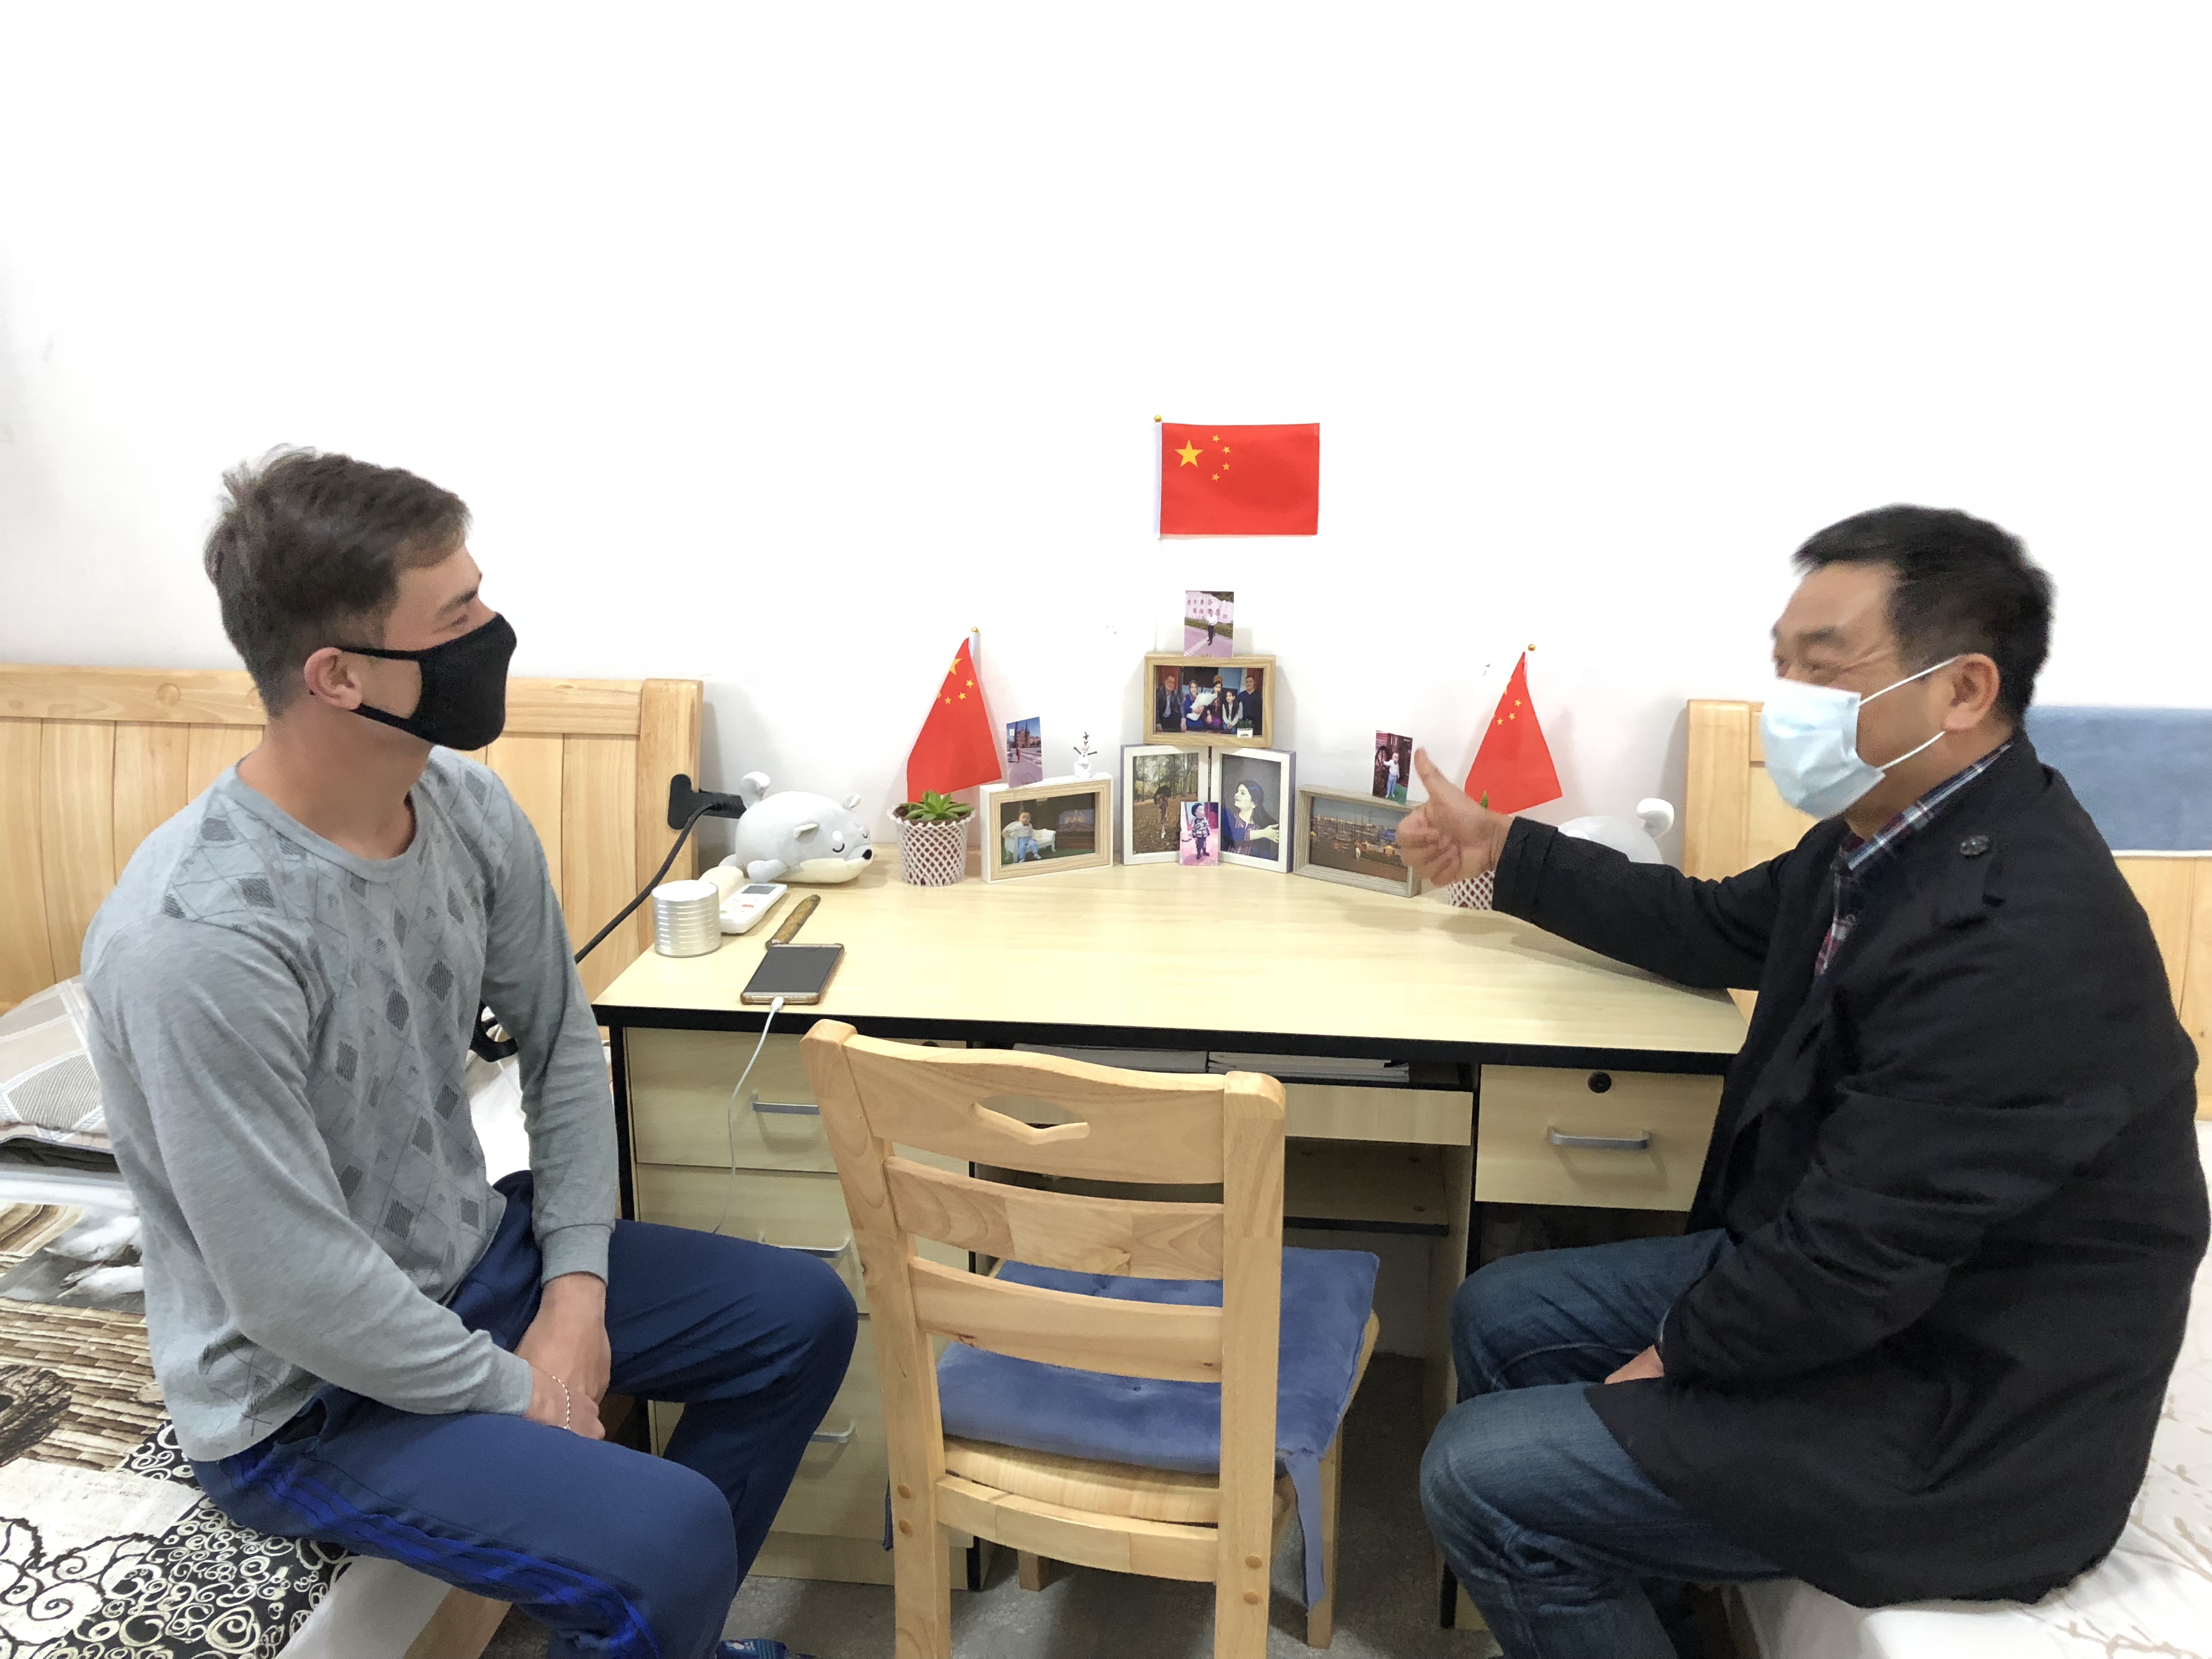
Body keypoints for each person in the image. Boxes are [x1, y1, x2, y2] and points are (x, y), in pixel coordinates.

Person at [80, 450, 856, 1659]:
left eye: (481, 594)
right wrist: (525, 1392)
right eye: (457, 617)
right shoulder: (199, 939)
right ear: (338, 674)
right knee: (672, 1533)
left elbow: (562, 1049)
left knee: (800, 1315)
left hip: (471, 1259)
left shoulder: (465, 807)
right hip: (304, 1394)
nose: (493, 634)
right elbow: (291, 1287)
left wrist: (576, 1294)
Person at [1398, 505, 2207, 1659]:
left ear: (1962, 689)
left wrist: (1675, 1358)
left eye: (1825, 668)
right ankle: (1648, 1607)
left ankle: (1584, 1553)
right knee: (1501, 1313)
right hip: (1877, 1302)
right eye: (1782, 666)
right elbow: (1709, 922)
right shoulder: (1883, 834)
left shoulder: (2022, 934)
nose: (1790, 702)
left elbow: (1853, 1260)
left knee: (1480, 1477)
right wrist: (1503, 854)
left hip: (1968, 1411)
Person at [1223, 777, 1279, 856]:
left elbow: (1263, 858)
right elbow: (1232, 833)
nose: (1237, 795)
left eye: (1242, 793)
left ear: (1254, 803)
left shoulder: (1261, 829)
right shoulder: (1227, 817)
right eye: (1237, 792)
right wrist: (1263, 833)